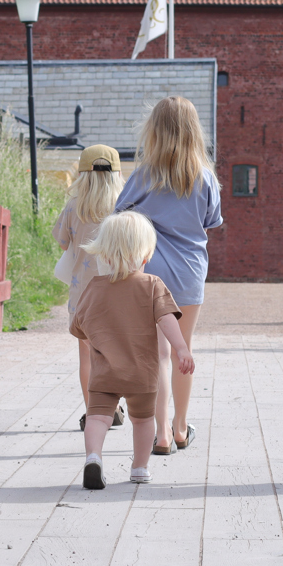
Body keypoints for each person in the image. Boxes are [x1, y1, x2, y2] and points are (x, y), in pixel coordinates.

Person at [113, 96, 222, 454]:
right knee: (182, 350)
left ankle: (159, 434)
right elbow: (211, 222)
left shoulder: (144, 176)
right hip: (190, 271)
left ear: (154, 132)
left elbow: (119, 214)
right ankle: (179, 428)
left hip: (151, 272)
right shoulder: (206, 178)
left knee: (157, 354)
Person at [70, 212, 195, 488]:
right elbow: (166, 319)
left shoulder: (95, 287)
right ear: (146, 255)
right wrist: (181, 348)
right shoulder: (152, 285)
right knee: (142, 421)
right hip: (142, 372)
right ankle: (139, 468)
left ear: (105, 253)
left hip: (105, 372)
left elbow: (79, 326)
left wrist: (97, 343)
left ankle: (94, 456)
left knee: (98, 418)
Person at [52, 144, 126, 432]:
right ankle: (117, 405)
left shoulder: (74, 205)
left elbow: (62, 242)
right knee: (117, 352)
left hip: (83, 293)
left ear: (83, 174)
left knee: (87, 356)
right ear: (117, 173)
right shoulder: (124, 205)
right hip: (119, 292)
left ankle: (94, 413)